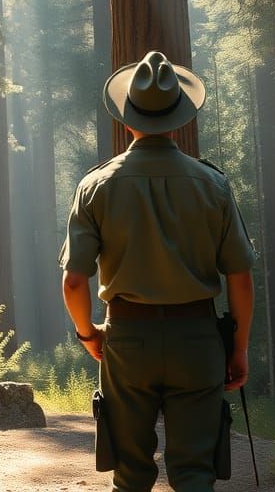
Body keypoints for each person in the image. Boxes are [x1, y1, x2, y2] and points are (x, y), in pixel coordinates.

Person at [60, 50, 256, 492]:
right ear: (180, 117)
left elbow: (74, 280)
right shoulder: (214, 185)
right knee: (194, 473)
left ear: (126, 117)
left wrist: (89, 334)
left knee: (130, 474)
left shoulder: (96, 186)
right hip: (198, 341)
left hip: (127, 340)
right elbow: (240, 277)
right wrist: (238, 348)